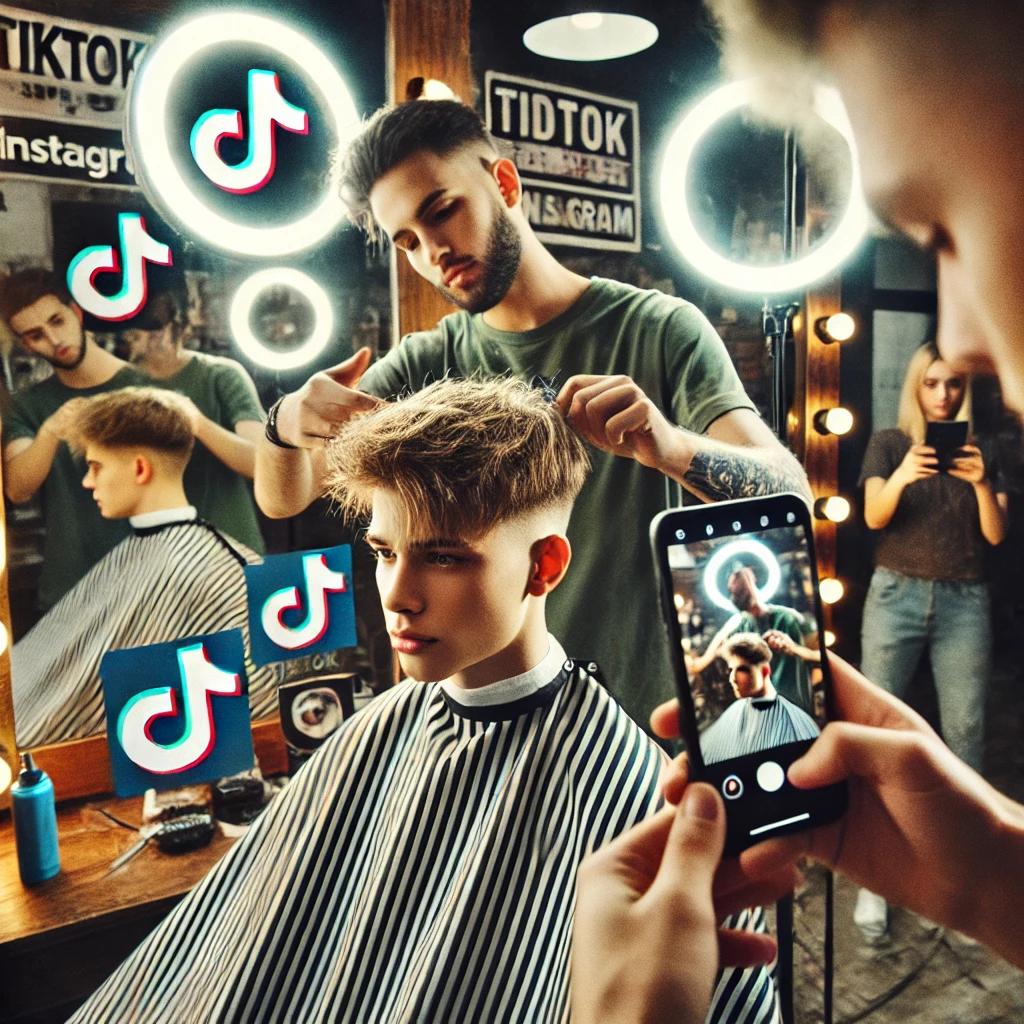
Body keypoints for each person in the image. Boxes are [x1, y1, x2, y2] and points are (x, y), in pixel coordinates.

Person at [570, 1, 1024, 1019]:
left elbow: (787, 492)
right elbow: (867, 511)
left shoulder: (662, 330)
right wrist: (991, 873)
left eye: (947, 226)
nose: (958, 340)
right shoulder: (886, 449)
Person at [71, 377, 779, 1024]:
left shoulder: (633, 795)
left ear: (544, 565)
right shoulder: (374, 732)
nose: (398, 596)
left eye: (442, 556)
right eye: (385, 552)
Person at [254, 97, 811, 728]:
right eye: (406, 241)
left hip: (647, 721)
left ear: (504, 183)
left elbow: (790, 493)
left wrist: (672, 447)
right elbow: (285, 497)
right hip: (500, 724)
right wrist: (284, 426)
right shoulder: (426, 365)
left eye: (442, 211)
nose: (432, 250)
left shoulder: (658, 330)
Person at [10, 387, 276, 748]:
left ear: (139, 468)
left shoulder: (198, 569)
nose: (87, 481)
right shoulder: (198, 554)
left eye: (95, 466)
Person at [855, 341, 1006, 940]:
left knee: (965, 730)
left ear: (965, 390)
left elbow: (995, 535)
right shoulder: (890, 444)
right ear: (916, 387)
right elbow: (874, 517)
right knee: (879, 730)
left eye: (953, 384)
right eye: (932, 383)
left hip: (965, 601)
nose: (943, 395)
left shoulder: (985, 449)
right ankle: (875, 879)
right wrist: (903, 475)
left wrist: (981, 483)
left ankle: (960, 876)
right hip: (895, 596)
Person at [0, 268, 144, 609]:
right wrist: (51, 430)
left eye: (57, 321)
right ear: (26, 344)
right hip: (71, 591)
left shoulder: (145, 386)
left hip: (150, 581)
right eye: (36, 334)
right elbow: (18, 488)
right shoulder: (30, 406)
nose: (54, 339)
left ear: (76, 312)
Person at [122, 286, 266, 553]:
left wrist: (196, 422)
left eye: (156, 331)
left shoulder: (221, 375)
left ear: (177, 328)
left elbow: (260, 462)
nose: (149, 341)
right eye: (136, 333)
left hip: (229, 546)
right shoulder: (120, 386)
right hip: (154, 552)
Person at [688, 565, 816, 711]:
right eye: (732, 589)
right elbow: (705, 659)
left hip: (797, 707)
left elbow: (817, 653)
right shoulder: (739, 625)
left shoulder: (788, 617)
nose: (735, 591)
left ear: (751, 581)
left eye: (739, 584)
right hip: (763, 710)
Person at [700, 633, 819, 764]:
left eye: (742, 670)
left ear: (765, 671)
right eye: (731, 670)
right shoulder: (733, 714)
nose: (732, 679)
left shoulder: (794, 720)